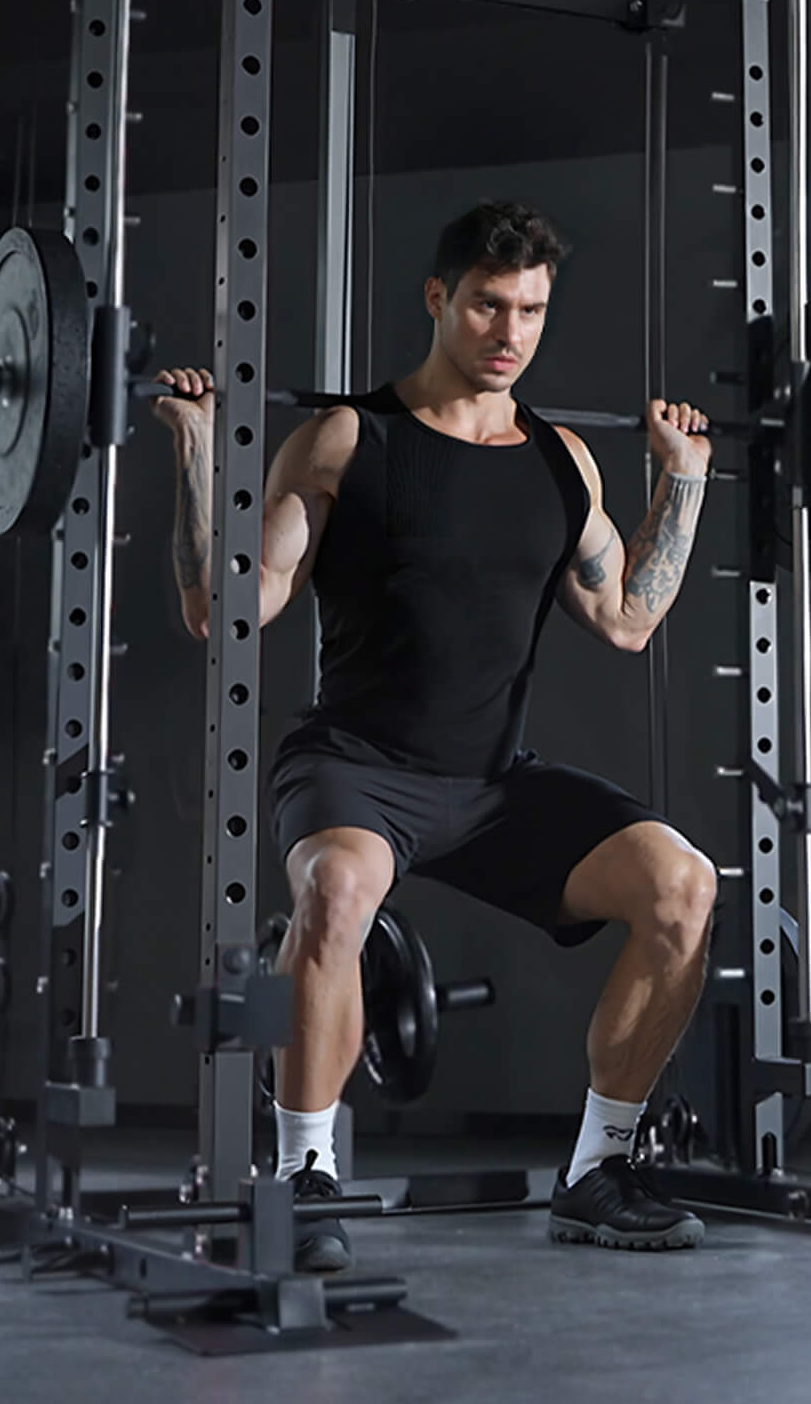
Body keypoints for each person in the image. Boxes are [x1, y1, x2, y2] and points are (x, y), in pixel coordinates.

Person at [154, 200, 718, 1271]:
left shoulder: (560, 462)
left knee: (681, 887)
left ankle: (596, 1169)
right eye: (487, 306)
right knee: (331, 894)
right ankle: (304, 1174)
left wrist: (680, 477)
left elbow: (627, 616)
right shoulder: (344, 440)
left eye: (532, 311)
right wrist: (192, 452)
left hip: (494, 784)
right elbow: (231, 605)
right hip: (356, 768)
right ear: (438, 298)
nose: (509, 333)